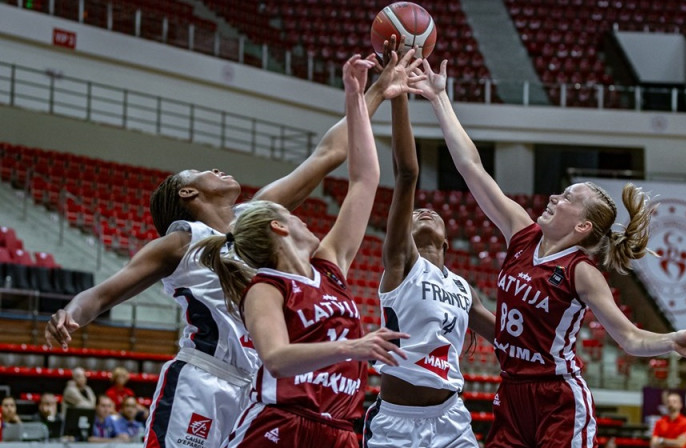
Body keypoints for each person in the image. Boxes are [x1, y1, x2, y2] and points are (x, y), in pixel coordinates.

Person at [43, 47, 421, 448]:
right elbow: (103, 293)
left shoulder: (257, 220)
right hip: (206, 380)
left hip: (265, 386)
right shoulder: (183, 239)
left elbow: (330, 153)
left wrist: (379, 89)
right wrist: (71, 313)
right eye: (204, 170)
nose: (218, 169)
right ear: (187, 191)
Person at [413, 59, 686, 448]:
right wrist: (439, 97)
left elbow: (628, 339)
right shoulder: (521, 233)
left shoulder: (581, 271)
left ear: (582, 227)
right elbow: (471, 167)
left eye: (569, 198)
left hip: (558, 401)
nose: (556, 197)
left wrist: (670, 339)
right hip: (511, 395)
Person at [194, 53, 414, 448]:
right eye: (294, 217)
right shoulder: (265, 286)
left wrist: (355, 95)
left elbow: (365, 179)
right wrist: (353, 347)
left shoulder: (330, 266)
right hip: (282, 424)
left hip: (341, 430)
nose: (305, 219)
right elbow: (276, 358)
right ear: (280, 226)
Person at [361, 42, 495, 448]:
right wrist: (399, 97)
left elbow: (509, 334)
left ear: (447, 239)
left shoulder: (461, 287)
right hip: (397, 421)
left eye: (431, 213)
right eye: (417, 212)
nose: (423, 211)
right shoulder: (401, 262)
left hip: (451, 419)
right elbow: (406, 174)